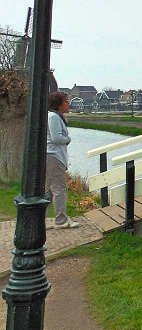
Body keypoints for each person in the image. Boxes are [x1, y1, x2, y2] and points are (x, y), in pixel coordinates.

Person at [46, 91, 79, 228]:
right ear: (59, 104)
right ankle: (61, 220)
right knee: (59, 189)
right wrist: (68, 139)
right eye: (66, 101)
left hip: (50, 156)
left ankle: (38, 220)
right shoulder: (53, 117)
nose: (68, 104)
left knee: (47, 190)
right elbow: (57, 138)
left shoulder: (54, 116)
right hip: (54, 156)